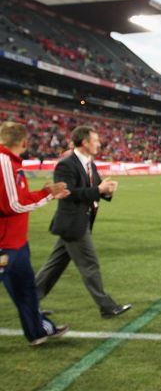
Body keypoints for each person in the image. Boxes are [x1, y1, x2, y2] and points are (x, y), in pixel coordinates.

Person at [35, 126, 132, 319]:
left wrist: (107, 191)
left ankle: (29, 303)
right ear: (85, 142)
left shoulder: (90, 164)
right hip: (73, 224)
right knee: (90, 265)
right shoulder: (66, 164)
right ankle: (107, 306)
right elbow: (67, 193)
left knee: (53, 268)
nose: (99, 143)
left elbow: (95, 189)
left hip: (80, 222)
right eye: (95, 140)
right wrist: (99, 189)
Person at [0, 122, 70, 345]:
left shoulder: (11, 162)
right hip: (6, 244)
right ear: (23, 142)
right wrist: (47, 195)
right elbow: (13, 205)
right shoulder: (4, 161)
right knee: (24, 290)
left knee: (27, 290)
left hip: (16, 242)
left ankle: (38, 332)